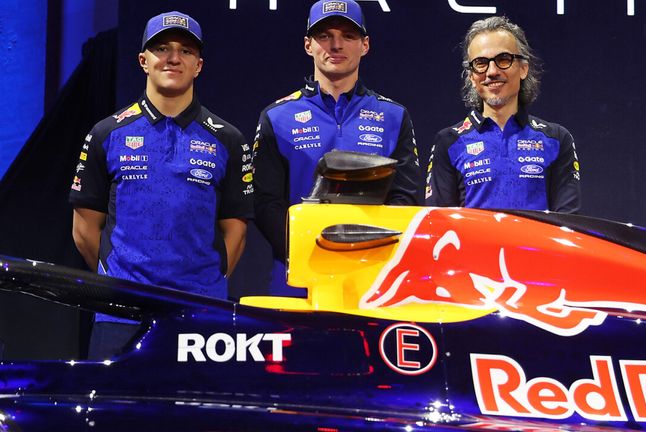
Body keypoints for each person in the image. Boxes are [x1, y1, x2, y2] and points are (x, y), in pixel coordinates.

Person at [70, 11, 254, 358]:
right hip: (120, 315)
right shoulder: (106, 133)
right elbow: (84, 229)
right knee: (116, 413)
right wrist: (122, 283)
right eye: (162, 49)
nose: (173, 58)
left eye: (186, 51)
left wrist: (201, 286)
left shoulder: (228, 139)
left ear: (198, 65)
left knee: (196, 412)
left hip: (201, 315)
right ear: (143, 61)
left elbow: (236, 233)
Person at [252, 0, 422, 295]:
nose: (336, 44)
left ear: (365, 45)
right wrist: (307, 249)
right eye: (325, 36)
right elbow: (267, 204)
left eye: (348, 36)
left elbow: (405, 199)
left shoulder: (394, 116)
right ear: (308, 45)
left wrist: (365, 250)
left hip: (373, 276)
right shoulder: (277, 117)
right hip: (297, 278)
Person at [426, 16, 580, 213]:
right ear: (472, 76)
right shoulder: (448, 142)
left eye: (503, 60)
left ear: (524, 68)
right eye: (481, 63)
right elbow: (440, 224)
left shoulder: (556, 139)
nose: (492, 71)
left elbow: (568, 224)